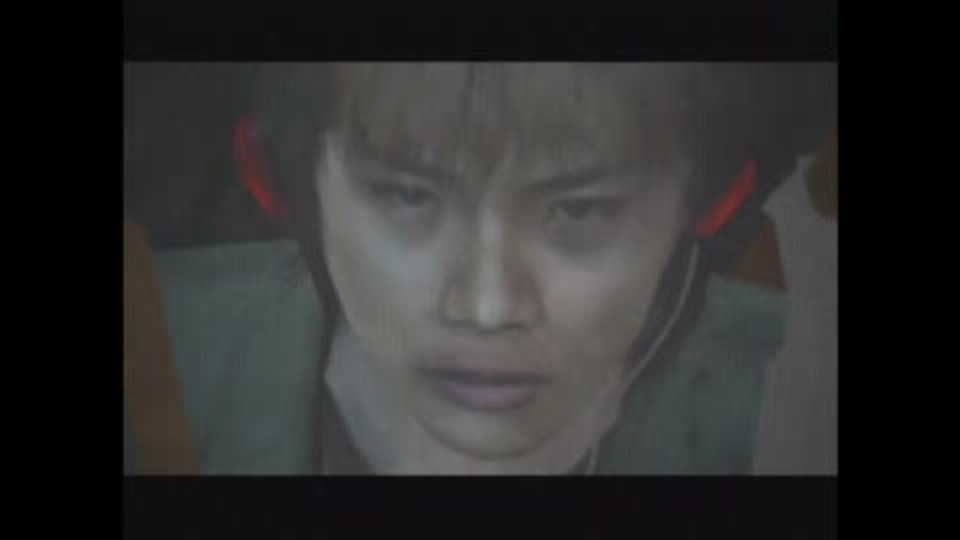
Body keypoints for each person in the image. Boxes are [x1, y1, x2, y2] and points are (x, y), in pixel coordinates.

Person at [146, 62, 835, 475]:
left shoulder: (766, 405)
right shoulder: (174, 366)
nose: (488, 306)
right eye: (408, 196)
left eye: (580, 210)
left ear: (714, 202)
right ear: (276, 179)